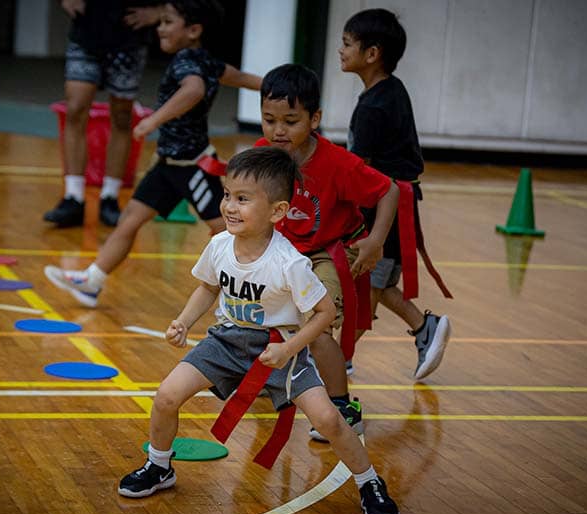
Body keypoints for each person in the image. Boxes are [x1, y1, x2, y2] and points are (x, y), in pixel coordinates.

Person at [117, 147, 400, 514]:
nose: (230, 206)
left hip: (279, 348)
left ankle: (370, 482)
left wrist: (289, 349)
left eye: (243, 199)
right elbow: (207, 287)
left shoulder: (290, 263)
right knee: (167, 396)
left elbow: (325, 314)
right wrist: (183, 322)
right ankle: (159, 466)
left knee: (329, 420)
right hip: (225, 341)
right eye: (228, 196)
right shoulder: (219, 245)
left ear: (278, 212)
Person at [44, 0, 262, 307]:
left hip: (192, 166)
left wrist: (153, 120)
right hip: (167, 166)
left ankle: (253, 294)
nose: (160, 27)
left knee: (224, 230)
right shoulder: (207, 61)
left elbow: (194, 90)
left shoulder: (188, 63)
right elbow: (238, 78)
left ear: (194, 31)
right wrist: (272, 85)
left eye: (168, 22)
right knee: (130, 219)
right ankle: (93, 280)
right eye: (161, 22)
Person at [255, 64, 399, 442]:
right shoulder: (262, 154)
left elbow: (389, 191)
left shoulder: (337, 163)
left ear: (315, 119)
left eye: (290, 120)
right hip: (283, 252)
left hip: (326, 255)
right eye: (269, 120)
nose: (278, 130)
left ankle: (342, 407)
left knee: (316, 330)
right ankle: (266, 380)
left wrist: (375, 241)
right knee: (249, 313)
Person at [340, 8, 451, 381]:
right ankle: (425, 328)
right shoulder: (392, 90)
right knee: (378, 281)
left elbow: (360, 171)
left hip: (386, 210)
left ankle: (337, 359)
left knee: (367, 287)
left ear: (371, 53)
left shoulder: (373, 106)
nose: (341, 51)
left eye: (346, 44)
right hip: (396, 204)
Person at [43, 0, 161, 228]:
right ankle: (73, 197)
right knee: (75, 109)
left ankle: (110, 197)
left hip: (129, 37)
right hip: (86, 32)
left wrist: (159, 11)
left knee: (122, 116)